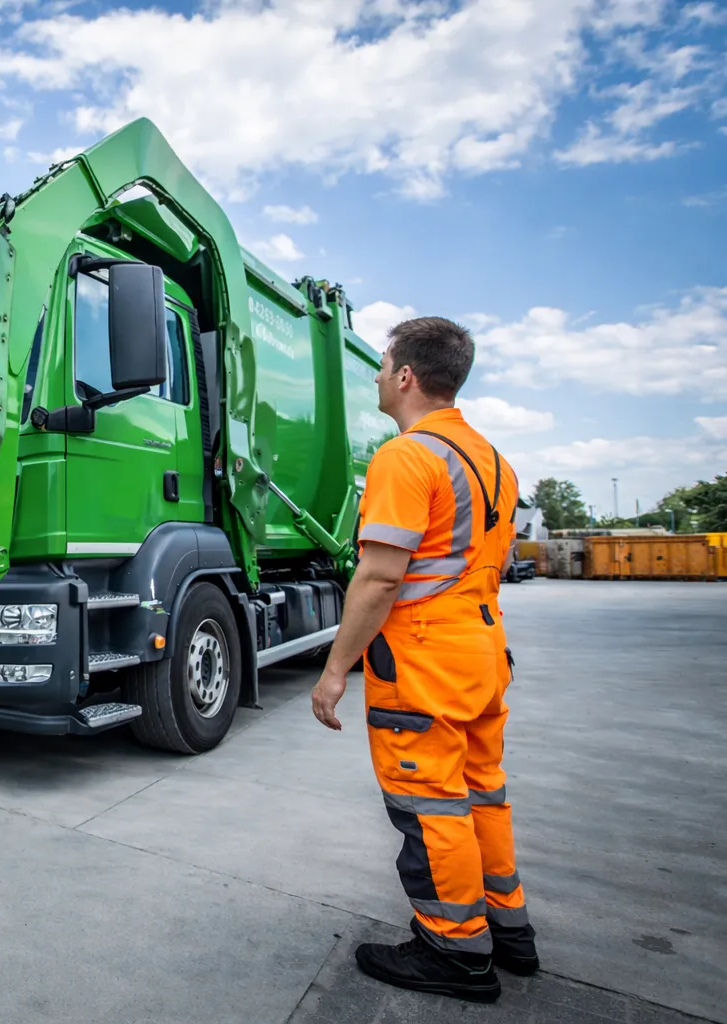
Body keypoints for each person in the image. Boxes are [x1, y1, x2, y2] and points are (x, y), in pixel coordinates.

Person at [310, 316, 538, 1004]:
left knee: (431, 805)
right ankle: (509, 932)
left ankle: (454, 949)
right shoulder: (494, 460)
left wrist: (333, 670)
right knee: (481, 792)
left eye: (382, 366)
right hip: (481, 648)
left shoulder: (406, 457)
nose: (378, 377)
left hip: (425, 659)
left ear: (406, 376)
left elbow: (381, 578)